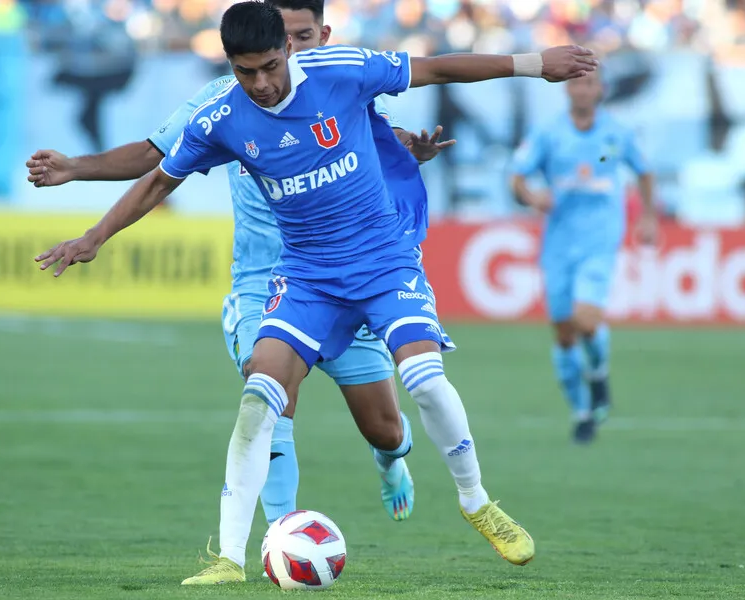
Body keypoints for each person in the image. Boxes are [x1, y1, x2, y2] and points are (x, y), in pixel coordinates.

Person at [35, 0, 597, 584]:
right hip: (305, 277)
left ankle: (477, 502)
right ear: (229, 64)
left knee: (419, 387)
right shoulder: (220, 117)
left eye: (272, 65)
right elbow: (158, 178)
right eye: (246, 72)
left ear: (291, 47)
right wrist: (94, 236)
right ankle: (229, 558)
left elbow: (436, 68)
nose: (262, 83)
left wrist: (534, 62)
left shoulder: (341, 70)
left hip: (383, 264)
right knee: (261, 396)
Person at [25, 0, 456, 535]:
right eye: (283, 39)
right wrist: (77, 168)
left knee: (385, 428)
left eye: (302, 37)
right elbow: (155, 157)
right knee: (268, 398)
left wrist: (407, 148)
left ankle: (391, 460)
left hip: (351, 274)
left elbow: (383, 144)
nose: (290, 51)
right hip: (265, 281)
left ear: (320, 35)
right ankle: (285, 536)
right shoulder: (224, 103)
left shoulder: (339, 83)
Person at [511, 72, 656, 444]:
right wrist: (531, 197)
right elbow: (517, 177)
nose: (583, 90)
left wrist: (649, 216)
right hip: (559, 243)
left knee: (586, 321)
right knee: (563, 334)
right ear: (567, 89)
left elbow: (644, 171)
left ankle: (599, 374)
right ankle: (582, 411)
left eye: (590, 83)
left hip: (600, 239)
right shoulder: (548, 132)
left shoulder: (617, 132)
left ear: (601, 89)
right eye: (577, 83)